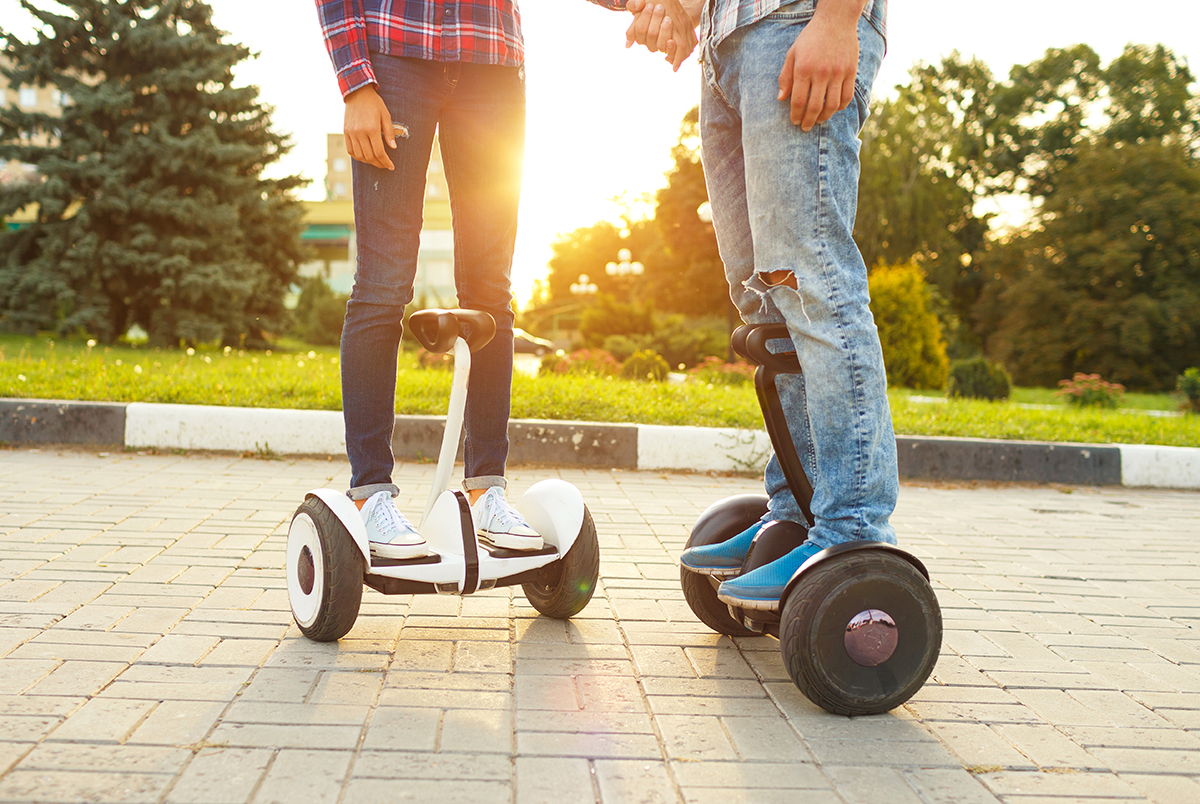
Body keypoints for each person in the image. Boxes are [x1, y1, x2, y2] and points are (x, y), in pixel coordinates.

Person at [313, 0, 661, 559]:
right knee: (383, 283)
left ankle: (486, 490)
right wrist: (355, 83)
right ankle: (370, 494)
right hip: (395, 54)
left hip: (492, 60)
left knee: (491, 291)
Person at [627, 0, 898, 610]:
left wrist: (836, 19)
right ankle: (796, 514)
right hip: (726, 44)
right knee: (765, 301)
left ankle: (852, 530)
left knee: (814, 282)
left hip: (798, 20)